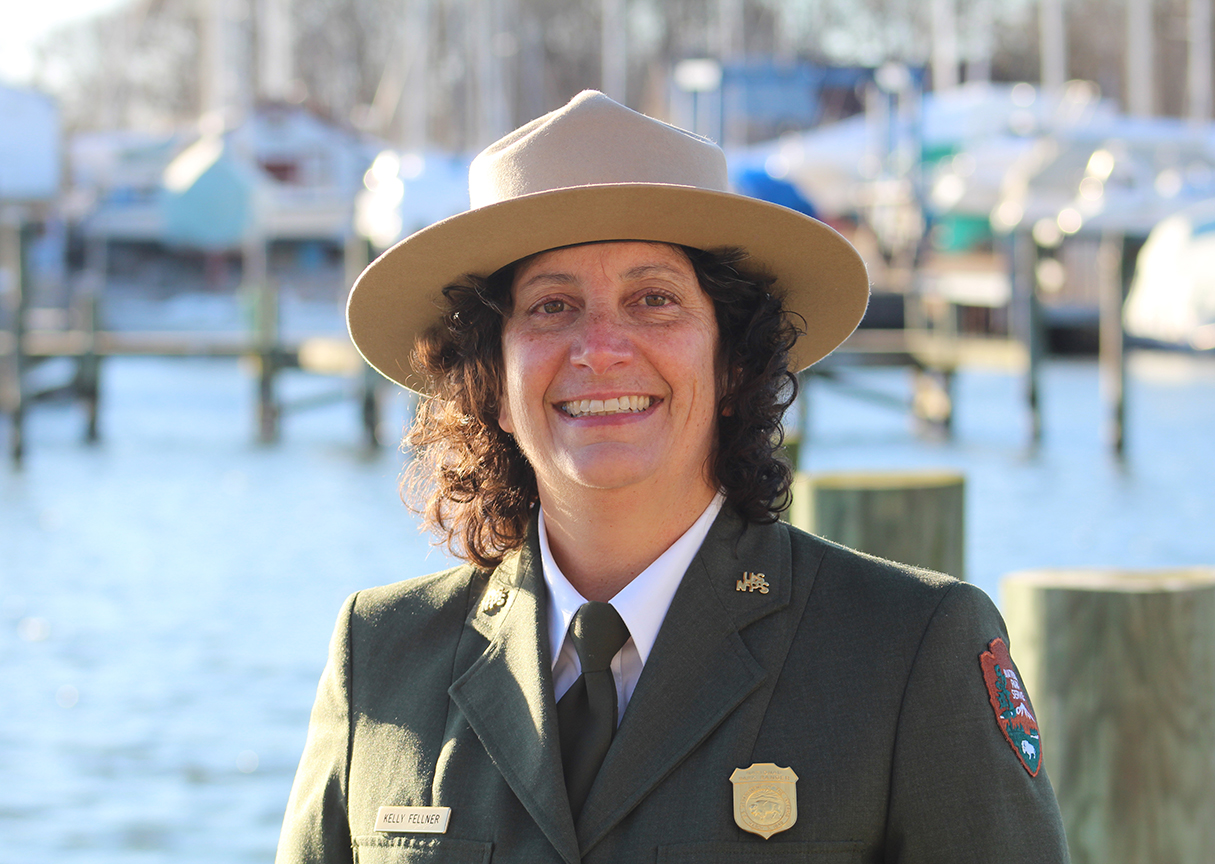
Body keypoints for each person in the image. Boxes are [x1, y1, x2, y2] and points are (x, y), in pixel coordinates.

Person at [275, 91, 1069, 864]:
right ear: (493, 384)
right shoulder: (379, 656)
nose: (599, 348)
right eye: (551, 306)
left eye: (653, 299)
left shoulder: (905, 651)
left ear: (733, 365)